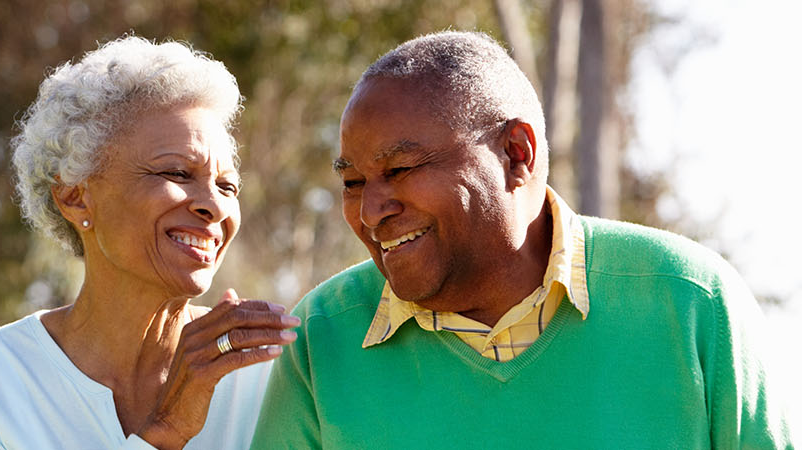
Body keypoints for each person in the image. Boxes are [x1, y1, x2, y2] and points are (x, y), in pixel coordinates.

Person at [252, 31, 794, 448]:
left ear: (517, 154)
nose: (370, 211)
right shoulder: (321, 342)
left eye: (401, 169)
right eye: (352, 182)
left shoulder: (691, 302)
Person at [0, 36, 299, 449]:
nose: (215, 207)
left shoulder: (270, 375)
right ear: (74, 196)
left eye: (227, 186)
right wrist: (167, 431)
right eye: (175, 173)